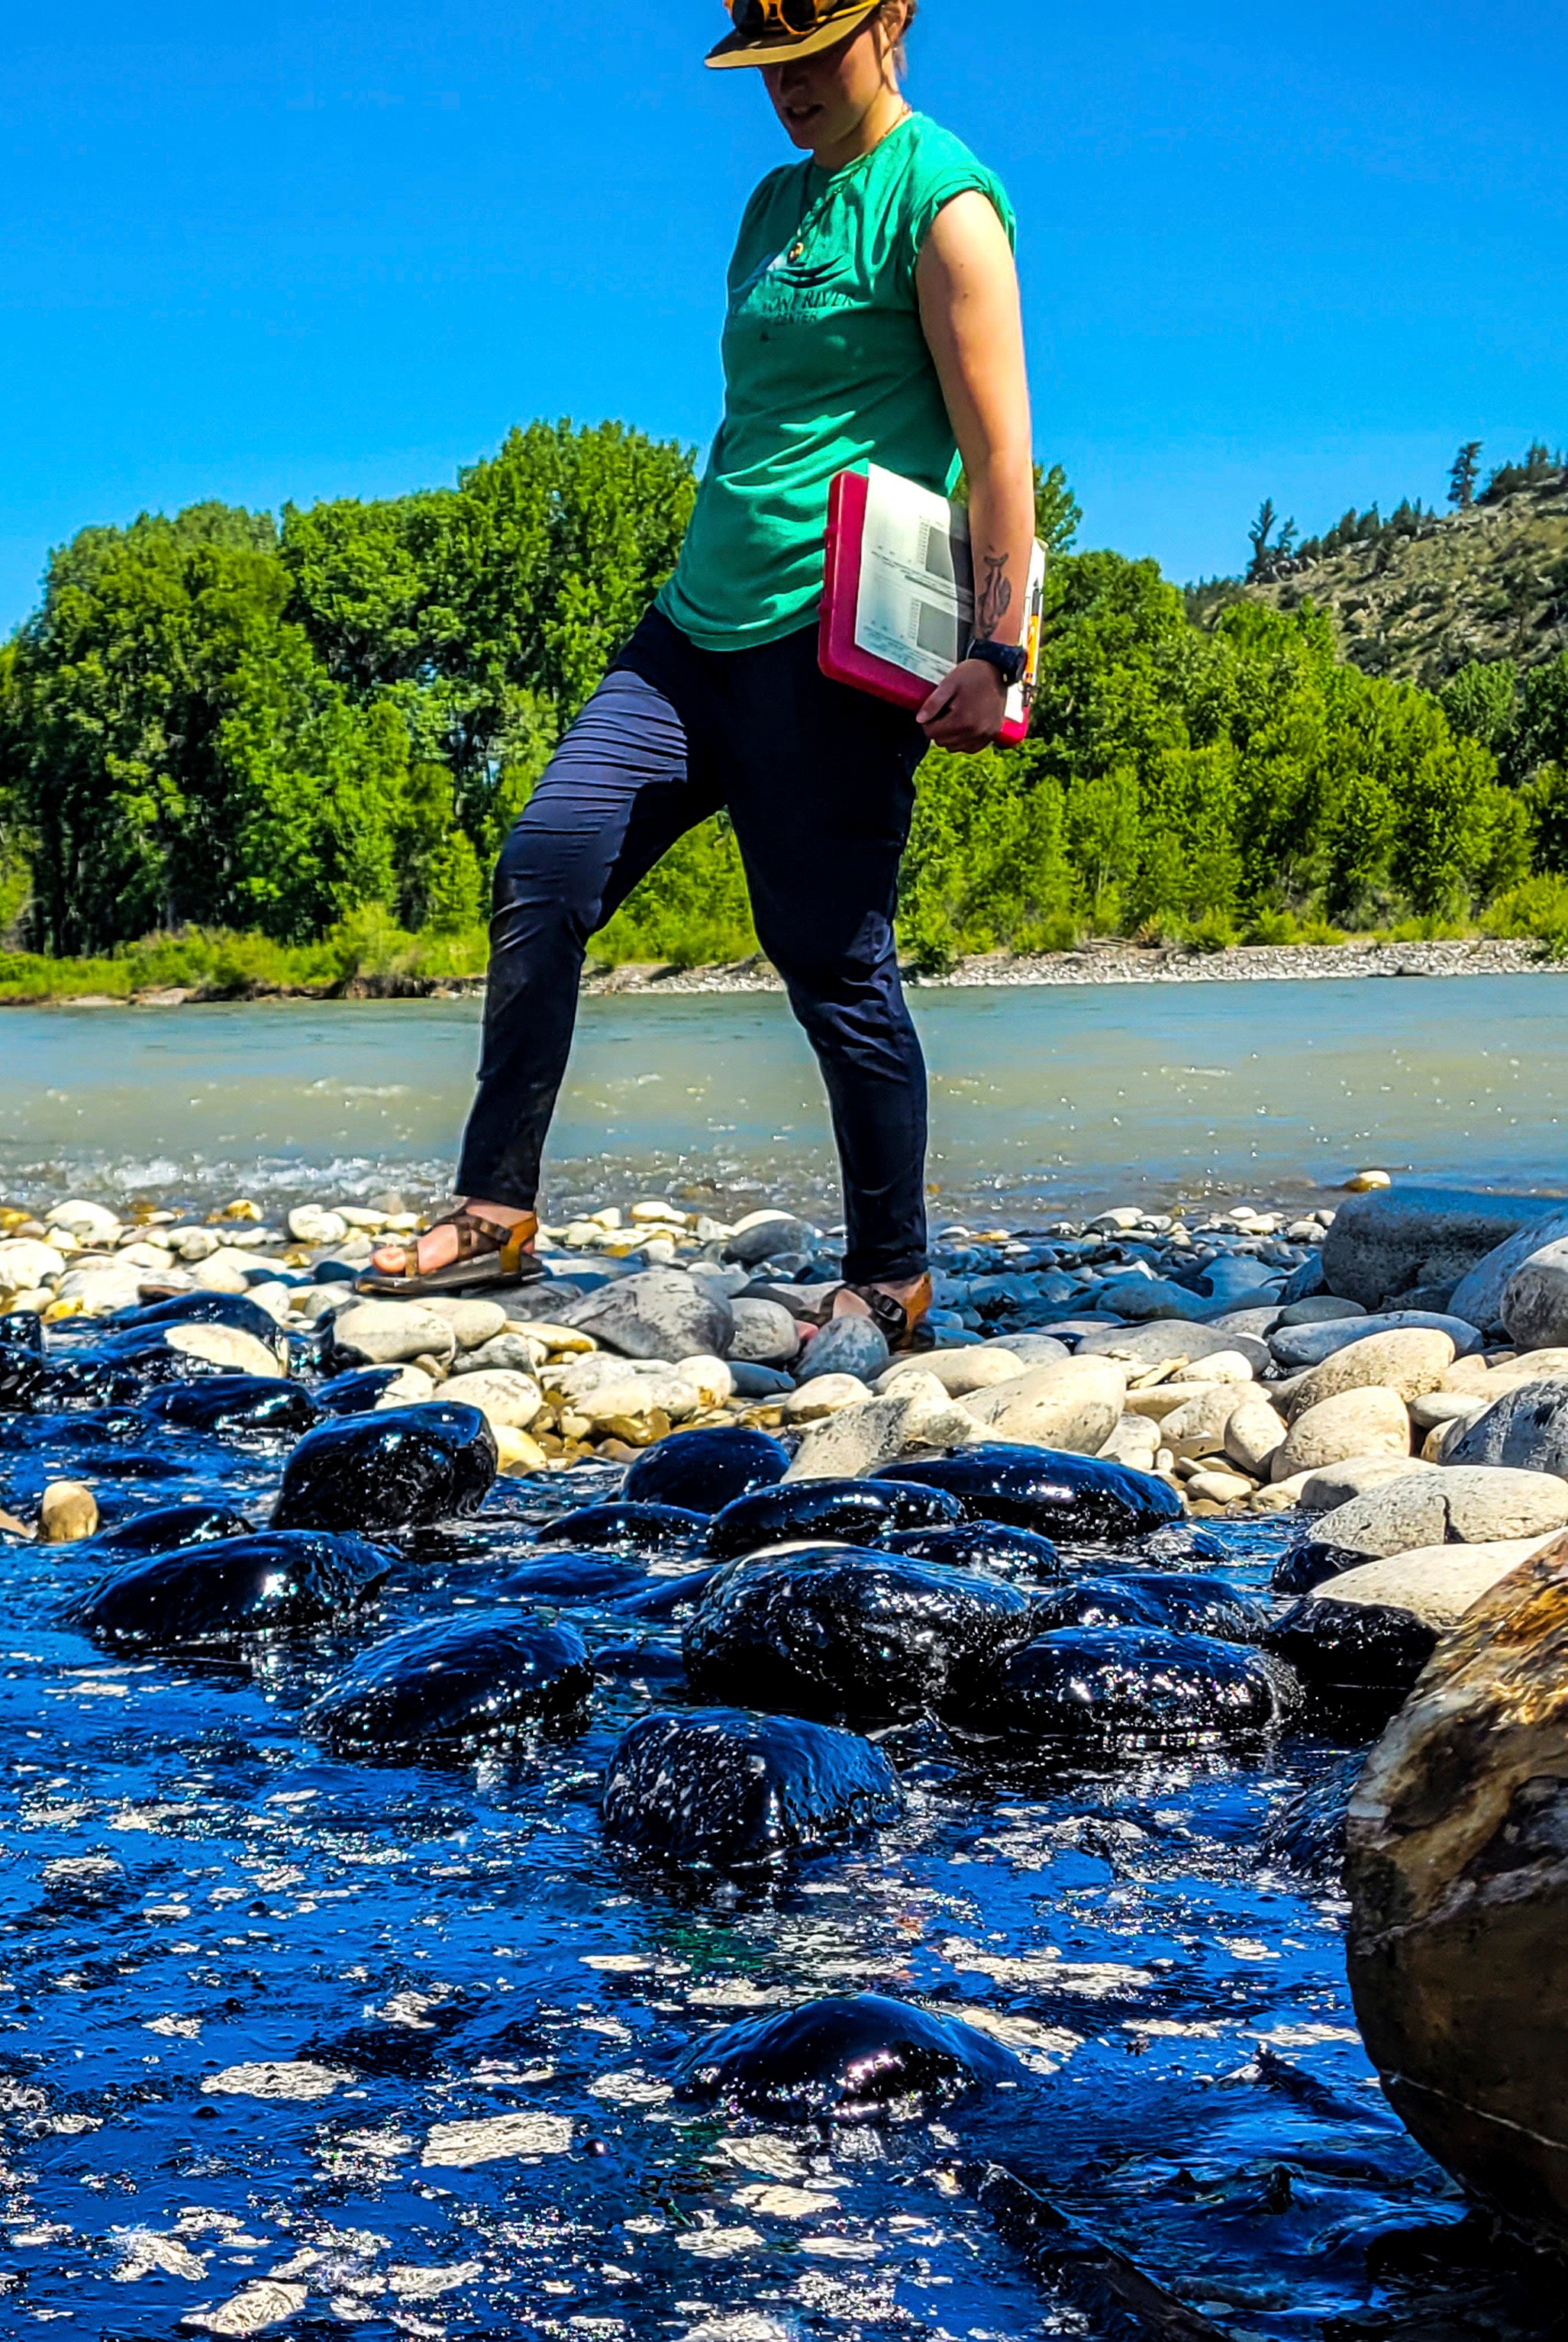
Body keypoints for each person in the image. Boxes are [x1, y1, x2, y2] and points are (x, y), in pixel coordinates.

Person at [373, 0, 1034, 1353]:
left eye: (813, 55)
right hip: (692, 629)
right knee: (545, 865)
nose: (786, 87)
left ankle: (892, 1273)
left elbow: (999, 446)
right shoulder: (769, 207)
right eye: (766, 65)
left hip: (833, 643)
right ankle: (494, 1211)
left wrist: (997, 649)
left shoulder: (945, 203)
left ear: (891, 22)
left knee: (829, 958)